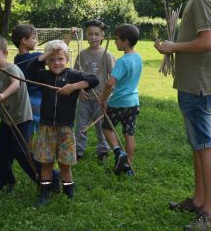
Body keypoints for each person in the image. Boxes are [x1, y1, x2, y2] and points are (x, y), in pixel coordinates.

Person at [154, 0, 211, 231]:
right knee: (197, 145)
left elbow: (208, 42)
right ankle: (197, 201)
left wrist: (173, 46)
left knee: (204, 145)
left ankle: (209, 213)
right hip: (192, 84)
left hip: (199, 85)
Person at [27, 40, 98, 206]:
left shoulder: (72, 75)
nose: (56, 63)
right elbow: (30, 68)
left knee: (65, 166)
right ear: (46, 61)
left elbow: (93, 79)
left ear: (66, 59)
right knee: (46, 164)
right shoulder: (43, 75)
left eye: (60, 58)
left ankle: (69, 194)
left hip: (65, 128)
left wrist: (73, 87)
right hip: (46, 128)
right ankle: (44, 193)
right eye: (51, 60)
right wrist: (46, 53)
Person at [0, 34, 44, 192]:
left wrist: (2, 95)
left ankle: (46, 177)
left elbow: (16, 85)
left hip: (21, 118)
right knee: (2, 151)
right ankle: (5, 181)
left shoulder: (12, 69)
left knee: (21, 152)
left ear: (5, 53)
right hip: (7, 120)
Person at [11, 24, 77, 135]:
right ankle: (36, 148)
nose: (36, 41)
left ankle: (29, 148)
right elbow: (60, 50)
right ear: (24, 41)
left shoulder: (17, 58)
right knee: (40, 127)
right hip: (37, 98)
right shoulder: (35, 57)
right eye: (33, 38)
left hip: (24, 98)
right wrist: (70, 34)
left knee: (28, 126)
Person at [99, 24, 142, 176]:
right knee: (129, 134)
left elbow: (110, 83)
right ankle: (128, 166)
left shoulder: (122, 61)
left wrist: (104, 99)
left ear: (125, 41)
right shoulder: (138, 57)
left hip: (118, 103)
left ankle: (118, 153)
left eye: (117, 40)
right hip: (133, 103)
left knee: (106, 127)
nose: (116, 42)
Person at [74, 19, 115, 162]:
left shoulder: (107, 55)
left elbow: (114, 79)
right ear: (86, 36)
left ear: (103, 36)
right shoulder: (82, 55)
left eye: (96, 34)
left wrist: (106, 96)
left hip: (101, 99)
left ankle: (103, 150)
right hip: (85, 97)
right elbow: (75, 75)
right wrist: (79, 90)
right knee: (81, 125)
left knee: (101, 126)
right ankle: (78, 151)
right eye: (90, 34)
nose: (93, 37)